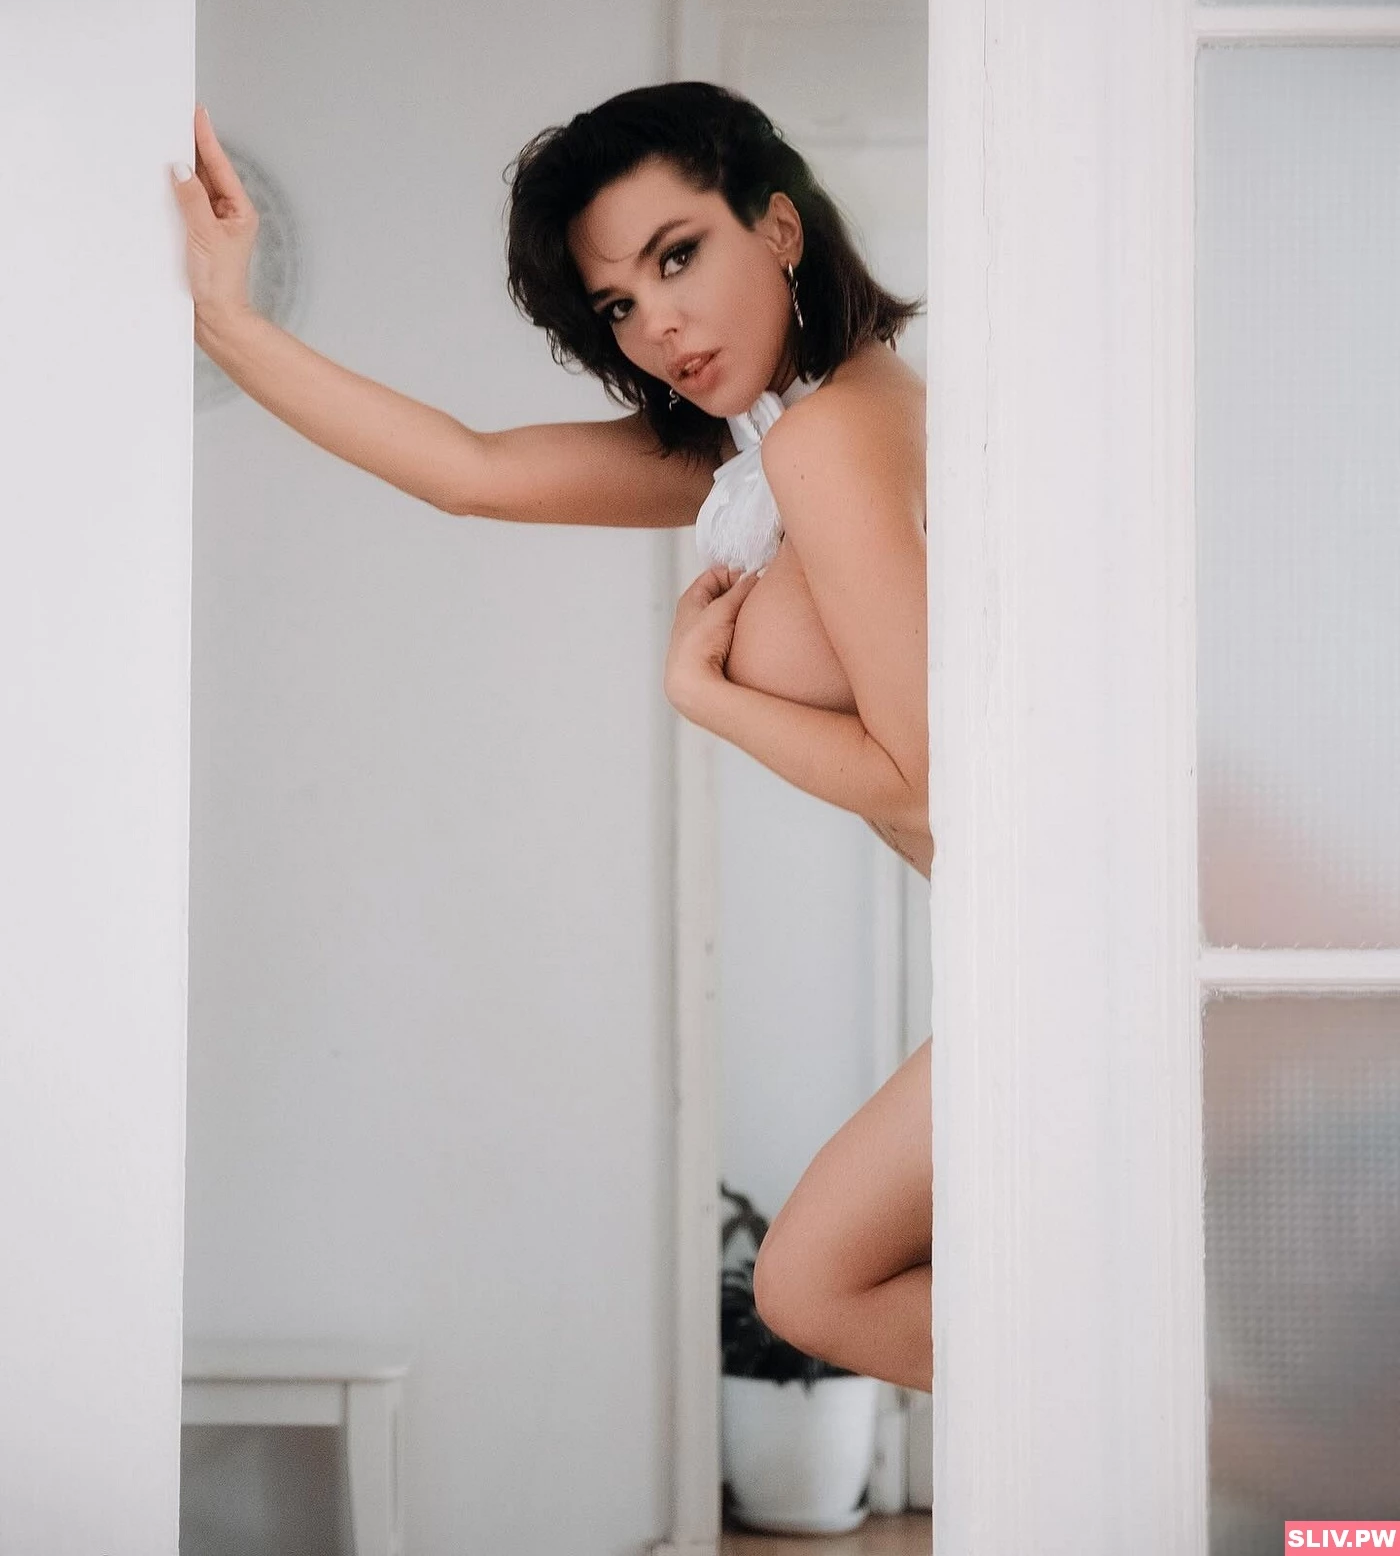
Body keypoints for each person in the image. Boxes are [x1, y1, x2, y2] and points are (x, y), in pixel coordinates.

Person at [170, 81, 933, 1394]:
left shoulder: (832, 436)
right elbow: (471, 472)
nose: (658, 324)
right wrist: (227, 323)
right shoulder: (780, 436)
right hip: (1037, 921)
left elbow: (933, 785)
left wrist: (707, 695)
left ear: (780, 227)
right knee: (860, 1289)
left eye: (677, 256)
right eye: (618, 303)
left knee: (818, 1285)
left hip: (1070, 920)